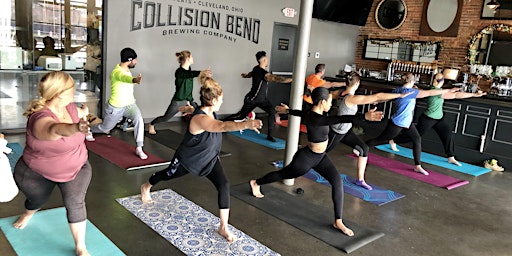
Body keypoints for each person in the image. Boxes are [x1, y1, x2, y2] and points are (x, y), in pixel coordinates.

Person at [140, 73, 263, 242]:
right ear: (213, 101)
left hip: (210, 158)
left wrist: (244, 121)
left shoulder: (209, 111)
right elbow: (222, 126)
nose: (222, 102)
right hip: (187, 159)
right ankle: (146, 186)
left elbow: (222, 121)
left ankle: (223, 227)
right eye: (221, 99)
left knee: (224, 184)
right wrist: (246, 124)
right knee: (168, 174)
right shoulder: (201, 119)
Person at [250, 87, 384, 237]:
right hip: (306, 158)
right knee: (284, 174)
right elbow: (340, 119)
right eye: (329, 102)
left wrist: (289, 111)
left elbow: (300, 113)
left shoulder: (316, 113)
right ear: (322, 102)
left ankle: (338, 221)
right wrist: (363, 116)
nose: (331, 105)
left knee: (337, 181)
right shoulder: (317, 118)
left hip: (321, 157)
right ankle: (256, 182)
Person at [13, 71, 92, 256]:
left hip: (77, 166)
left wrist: (85, 113)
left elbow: (80, 112)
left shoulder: (70, 107)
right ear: (59, 94)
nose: (75, 91)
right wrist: (75, 128)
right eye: (72, 89)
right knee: (37, 200)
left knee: (75, 202)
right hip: (36, 173)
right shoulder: (39, 119)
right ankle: (29, 212)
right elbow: (54, 129)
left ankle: (81, 247)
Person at [326, 72, 412, 190]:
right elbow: (377, 96)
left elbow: (330, 94)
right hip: (336, 132)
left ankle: (360, 180)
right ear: (357, 83)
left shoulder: (340, 93)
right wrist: (399, 95)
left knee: (364, 148)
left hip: (345, 131)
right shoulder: (351, 98)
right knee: (319, 153)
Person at [366, 73, 459, 175]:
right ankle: (363, 146)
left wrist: (378, 101)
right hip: (398, 123)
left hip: (408, 123)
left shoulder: (400, 90)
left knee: (417, 139)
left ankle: (417, 166)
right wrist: (448, 90)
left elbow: (388, 97)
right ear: (411, 82)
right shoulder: (411, 92)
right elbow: (430, 93)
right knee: (381, 139)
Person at [388, 73, 486, 166]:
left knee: (447, 134)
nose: (442, 81)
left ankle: (450, 156)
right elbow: (456, 95)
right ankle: (394, 140)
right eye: (441, 79)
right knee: (415, 136)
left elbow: (454, 93)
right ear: (438, 81)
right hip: (428, 119)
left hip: (438, 119)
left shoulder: (438, 90)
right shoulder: (436, 92)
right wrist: (473, 95)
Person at [88, 47, 148, 159]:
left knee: (139, 119)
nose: (136, 62)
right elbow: (123, 78)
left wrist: (133, 81)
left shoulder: (127, 70)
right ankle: (89, 128)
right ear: (129, 60)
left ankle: (139, 148)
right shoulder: (117, 72)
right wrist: (134, 80)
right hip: (115, 107)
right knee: (105, 128)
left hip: (130, 105)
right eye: (135, 59)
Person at [223, 51, 292, 142]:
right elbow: (276, 78)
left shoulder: (256, 68)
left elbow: (251, 73)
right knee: (240, 116)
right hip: (252, 99)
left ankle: (270, 135)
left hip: (262, 100)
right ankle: (222, 123)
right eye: (266, 59)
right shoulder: (264, 73)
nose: (267, 61)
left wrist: (246, 76)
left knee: (272, 111)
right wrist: (293, 79)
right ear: (263, 60)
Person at [148, 50, 211, 134]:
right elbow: (188, 75)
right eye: (191, 57)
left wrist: (188, 102)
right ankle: (151, 124)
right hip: (179, 101)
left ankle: (201, 133)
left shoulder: (189, 70)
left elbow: (188, 83)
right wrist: (201, 72)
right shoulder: (179, 72)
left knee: (199, 113)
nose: (193, 58)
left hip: (189, 100)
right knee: (165, 118)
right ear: (188, 58)